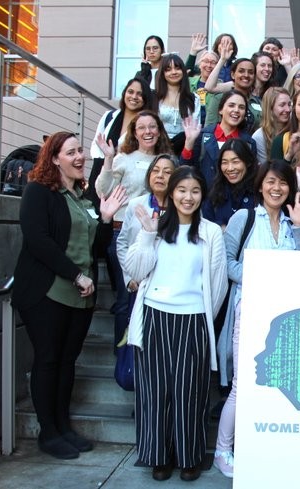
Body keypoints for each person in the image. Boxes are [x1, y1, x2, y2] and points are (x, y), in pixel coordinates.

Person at [13, 132, 126, 459]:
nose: (80, 157)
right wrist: (75, 274)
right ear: (54, 158)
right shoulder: (38, 192)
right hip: (47, 291)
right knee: (48, 360)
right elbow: (38, 240)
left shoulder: (83, 197)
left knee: (66, 361)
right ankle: (48, 432)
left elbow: (95, 245)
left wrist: (105, 219)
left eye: (81, 151)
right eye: (72, 152)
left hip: (81, 295)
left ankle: (63, 427)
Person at [214, 160, 300, 478]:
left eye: (283, 183)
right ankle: (222, 450)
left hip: (284, 318)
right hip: (249, 309)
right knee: (242, 386)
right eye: (271, 182)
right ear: (260, 185)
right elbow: (226, 264)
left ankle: (267, 446)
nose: (277, 188)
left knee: (281, 386)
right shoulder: (243, 219)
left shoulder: (292, 223)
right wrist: (261, 275)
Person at [125, 165, 228, 482]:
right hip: (154, 315)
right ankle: (158, 456)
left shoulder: (210, 232)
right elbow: (136, 270)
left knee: (190, 392)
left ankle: (189, 457)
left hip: (194, 320)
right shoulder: (156, 227)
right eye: (182, 190)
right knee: (155, 392)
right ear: (171, 193)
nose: (188, 197)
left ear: (202, 195)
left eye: (195, 191)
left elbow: (218, 283)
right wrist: (145, 235)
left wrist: (199, 314)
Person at [95, 111, 173, 346]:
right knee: (125, 295)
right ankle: (123, 354)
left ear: (159, 130)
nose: (147, 131)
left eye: (152, 127)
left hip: (158, 233)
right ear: (134, 132)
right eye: (142, 127)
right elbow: (103, 189)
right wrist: (108, 159)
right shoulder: (124, 158)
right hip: (124, 230)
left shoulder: (166, 160)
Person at [117, 154, 177, 300]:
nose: (160, 176)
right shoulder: (136, 205)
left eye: (167, 172)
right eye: (155, 171)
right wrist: (129, 277)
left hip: (169, 284)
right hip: (139, 281)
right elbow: (123, 243)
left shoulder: (181, 208)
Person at [88, 78, 154, 207]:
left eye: (139, 94)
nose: (134, 97)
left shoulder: (146, 124)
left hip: (125, 180)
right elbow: (96, 144)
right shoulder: (109, 116)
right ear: (124, 93)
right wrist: (104, 160)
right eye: (130, 92)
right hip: (101, 170)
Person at [181, 90, 257, 187]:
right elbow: (186, 169)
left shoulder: (248, 143)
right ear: (220, 109)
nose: (236, 110)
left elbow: (249, 179)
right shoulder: (203, 135)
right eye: (231, 105)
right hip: (206, 198)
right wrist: (189, 143)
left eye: (241, 107)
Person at [203, 138, 257, 228]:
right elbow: (206, 225)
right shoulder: (215, 192)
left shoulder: (258, 192)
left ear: (248, 162)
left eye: (235, 162)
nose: (230, 168)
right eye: (225, 162)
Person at [155, 54, 201, 155]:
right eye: (168, 69)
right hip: (158, 148)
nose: (174, 72)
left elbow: (195, 126)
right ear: (162, 73)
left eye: (177, 68)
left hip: (185, 148)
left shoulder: (194, 98)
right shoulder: (155, 97)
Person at [252, 87, 291, 164]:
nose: (288, 109)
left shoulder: (295, 130)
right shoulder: (260, 136)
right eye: (282, 105)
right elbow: (266, 169)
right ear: (270, 108)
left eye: (289, 104)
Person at [189, 50, 220, 126]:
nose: (209, 65)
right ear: (199, 64)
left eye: (213, 62)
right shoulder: (189, 82)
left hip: (211, 128)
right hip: (190, 127)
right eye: (206, 61)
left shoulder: (221, 87)